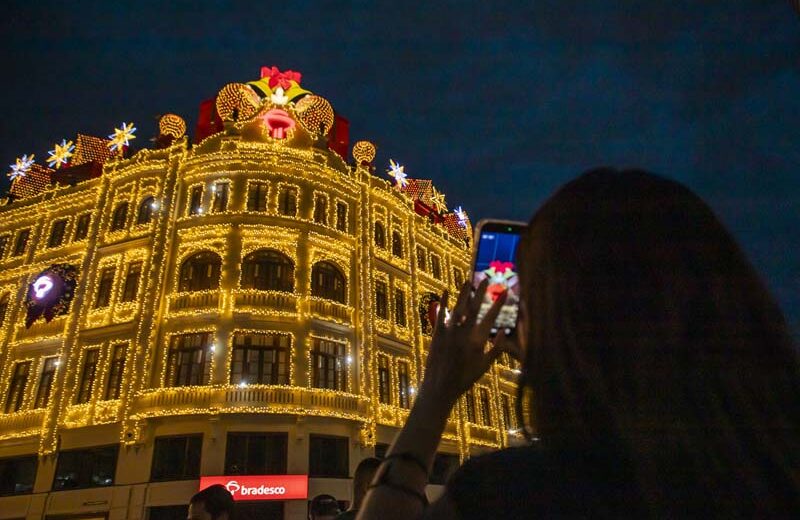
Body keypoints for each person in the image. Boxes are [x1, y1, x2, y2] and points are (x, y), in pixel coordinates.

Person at [357, 168, 800, 518]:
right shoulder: (767, 469)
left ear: (565, 321)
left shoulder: (522, 494)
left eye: (533, 296)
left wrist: (436, 394)